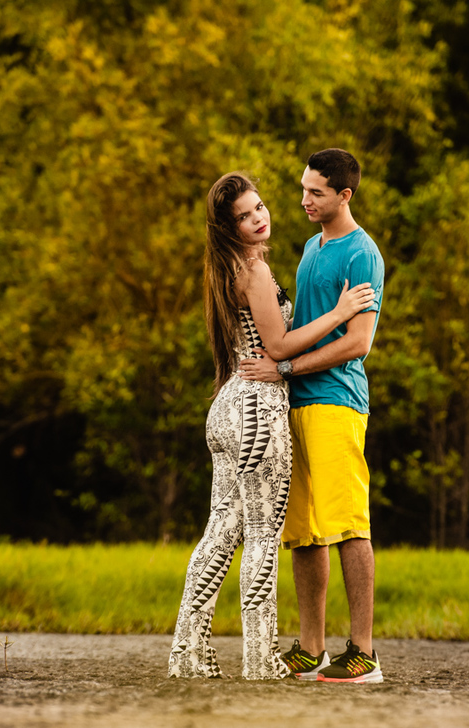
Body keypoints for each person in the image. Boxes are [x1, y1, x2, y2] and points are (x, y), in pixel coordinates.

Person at [168, 172, 376, 679]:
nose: (259, 217)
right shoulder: (253, 271)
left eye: (259, 206)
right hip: (258, 408)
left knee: (220, 533)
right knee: (263, 535)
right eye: (245, 214)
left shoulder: (224, 269)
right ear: (227, 226)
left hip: (227, 406)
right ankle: (261, 659)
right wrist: (341, 311)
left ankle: (188, 653)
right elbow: (280, 346)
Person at [239, 148, 386, 684]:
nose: (303, 200)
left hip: (336, 403)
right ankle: (311, 647)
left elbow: (358, 342)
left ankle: (364, 653)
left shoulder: (361, 254)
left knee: (350, 526)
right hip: (296, 404)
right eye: (302, 189)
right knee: (303, 532)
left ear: (344, 195)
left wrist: (288, 368)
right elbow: (301, 324)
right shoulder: (308, 247)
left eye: (316, 192)